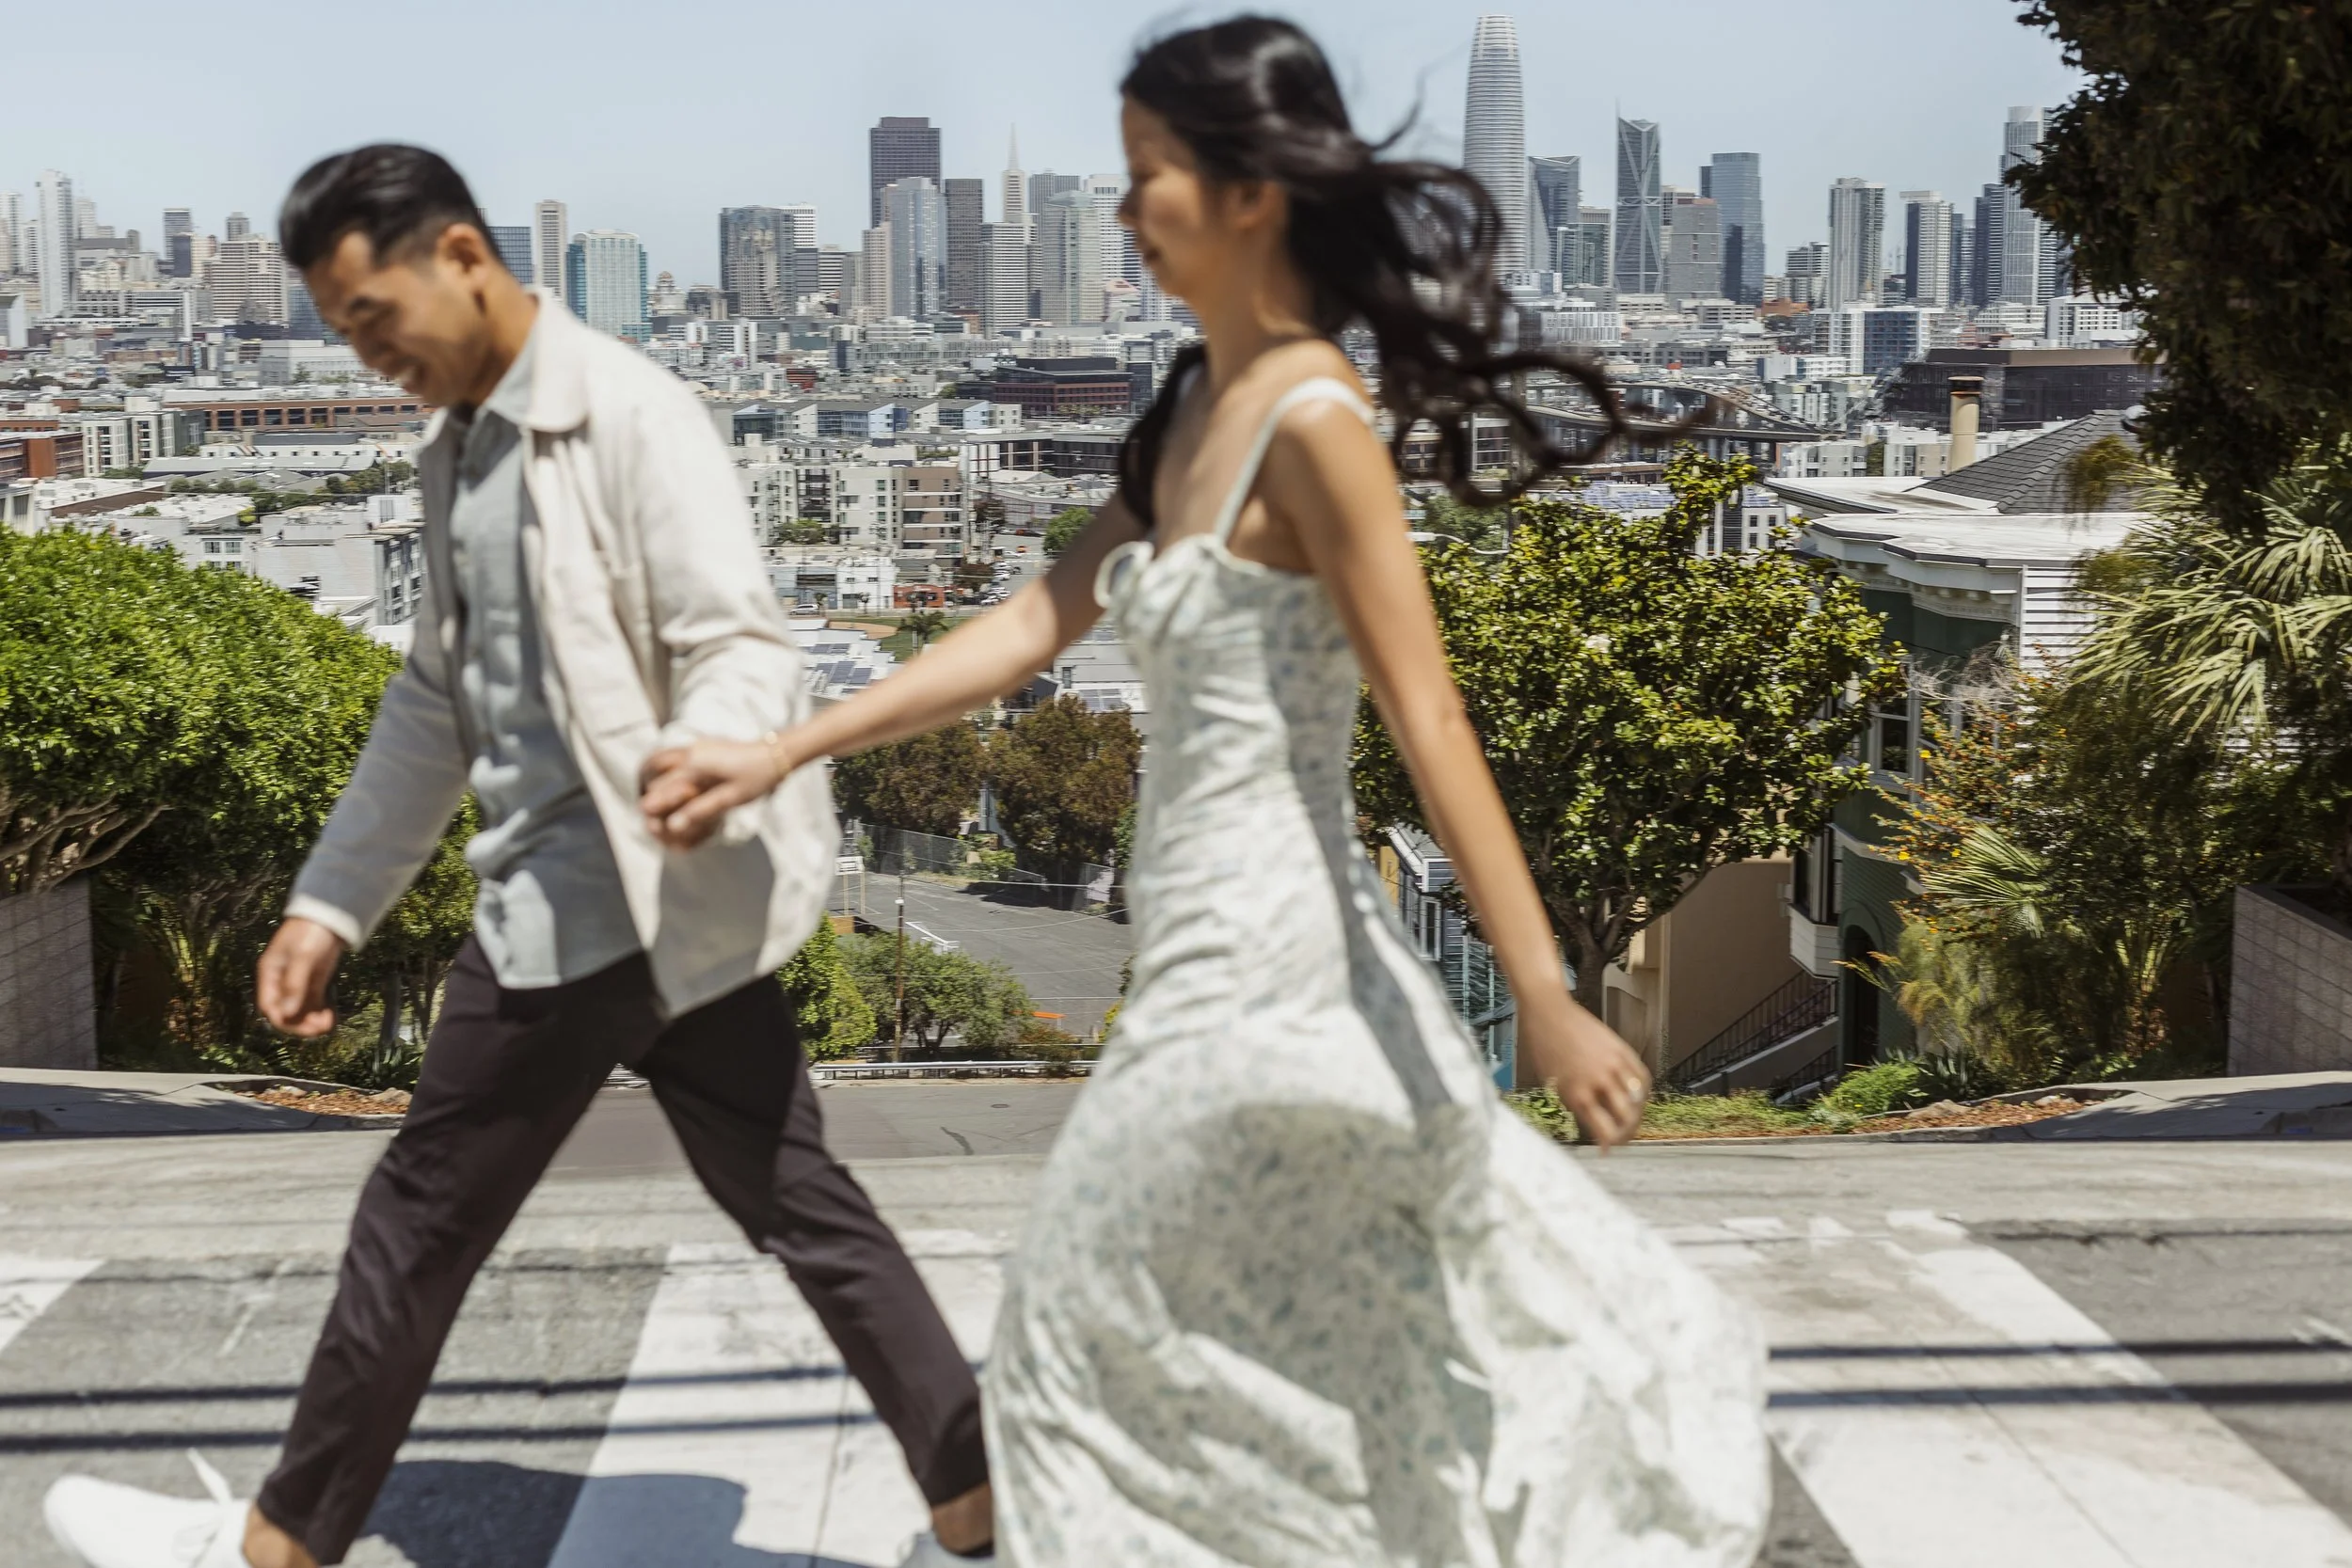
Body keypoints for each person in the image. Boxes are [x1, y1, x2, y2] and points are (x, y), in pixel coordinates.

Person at [640, 18, 1769, 1566]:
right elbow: (1031, 625)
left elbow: (1426, 713)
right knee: (1266, 1320)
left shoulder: (1318, 430)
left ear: (1250, 193)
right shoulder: (1188, 408)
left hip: (1280, 946)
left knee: (1081, 1296)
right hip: (1189, 940)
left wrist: (1547, 991)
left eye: (1148, 179)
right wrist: (789, 744)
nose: (1123, 216)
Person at [41, 146, 995, 1568]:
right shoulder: (459, 444)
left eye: (376, 319)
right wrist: (332, 899)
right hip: (672, 912)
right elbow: (437, 694)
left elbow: (739, 639)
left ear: (466, 258)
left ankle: (274, 1546)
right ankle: (985, 1517)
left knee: (418, 1217)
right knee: (807, 1205)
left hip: (588, 898)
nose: (370, 358)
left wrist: (717, 743)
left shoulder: (629, 414)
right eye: (344, 331)